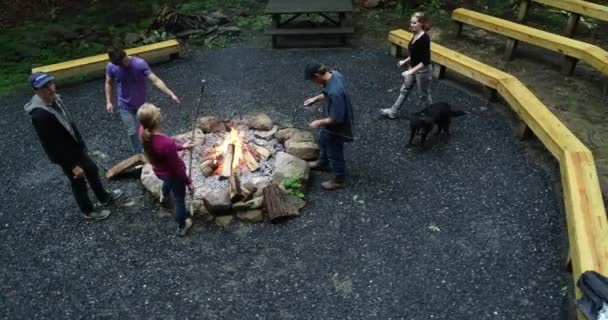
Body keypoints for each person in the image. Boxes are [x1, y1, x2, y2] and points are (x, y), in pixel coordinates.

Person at [25, 72, 123, 220]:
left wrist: (81, 144)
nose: (51, 88)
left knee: (91, 169)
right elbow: (51, 146)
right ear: (36, 91)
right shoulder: (40, 115)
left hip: (75, 147)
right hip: (66, 156)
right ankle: (88, 211)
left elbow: (69, 123)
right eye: (44, 87)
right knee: (78, 181)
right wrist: (72, 165)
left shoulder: (55, 99)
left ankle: (103, 197)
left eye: (50, 83)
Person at [105, 48, 181, 154]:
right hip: (124, 104)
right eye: (122, 64)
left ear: (126, 55)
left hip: (140, 104)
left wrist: (170, 93)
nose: (126, 64)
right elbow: (108, 83)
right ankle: (139, 153)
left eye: (126, 60)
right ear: (117, 64)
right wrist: (108, 101)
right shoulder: (111, 67)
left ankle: (150, 148)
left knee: (147, 128)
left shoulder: (139, 64)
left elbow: (155, 80)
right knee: (132, 131)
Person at [136, 103, 194, 236]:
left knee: (166, 182)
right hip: (174, 175)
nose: (160, 110)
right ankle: (182, 226)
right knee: (179, 199)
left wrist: (182, 147)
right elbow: (177, 169)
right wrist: (188, 181)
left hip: (160, 171)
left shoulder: (142, 131)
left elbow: (168, 148)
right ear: (156, 120)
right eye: (157, 111)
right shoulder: (165, 143)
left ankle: (164, 196)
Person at [303, 62, 354, 190]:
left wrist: (318, 122)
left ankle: (339, 179)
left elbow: (336, 119)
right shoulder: (334, 74)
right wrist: (316, 98)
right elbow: (327, 91)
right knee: (322, 140)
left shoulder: (335, 93)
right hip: (329, 124)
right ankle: (323, 163)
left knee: (335, 153)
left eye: (312, 80)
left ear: (316, 76)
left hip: (337, 128)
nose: (313, 82)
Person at [381, 12, 433, 119]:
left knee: (424, 95)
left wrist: (410, 72)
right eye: (411, 22)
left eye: (414, 23)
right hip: (412, 68)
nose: (412, 25)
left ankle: (432, 115)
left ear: (421, 23)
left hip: (423, 72)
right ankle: (393, 111)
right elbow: (415, 54)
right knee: (404, 90)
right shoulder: (415, 35)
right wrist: (404, 61)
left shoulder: (424, 39)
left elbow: (425, 61)